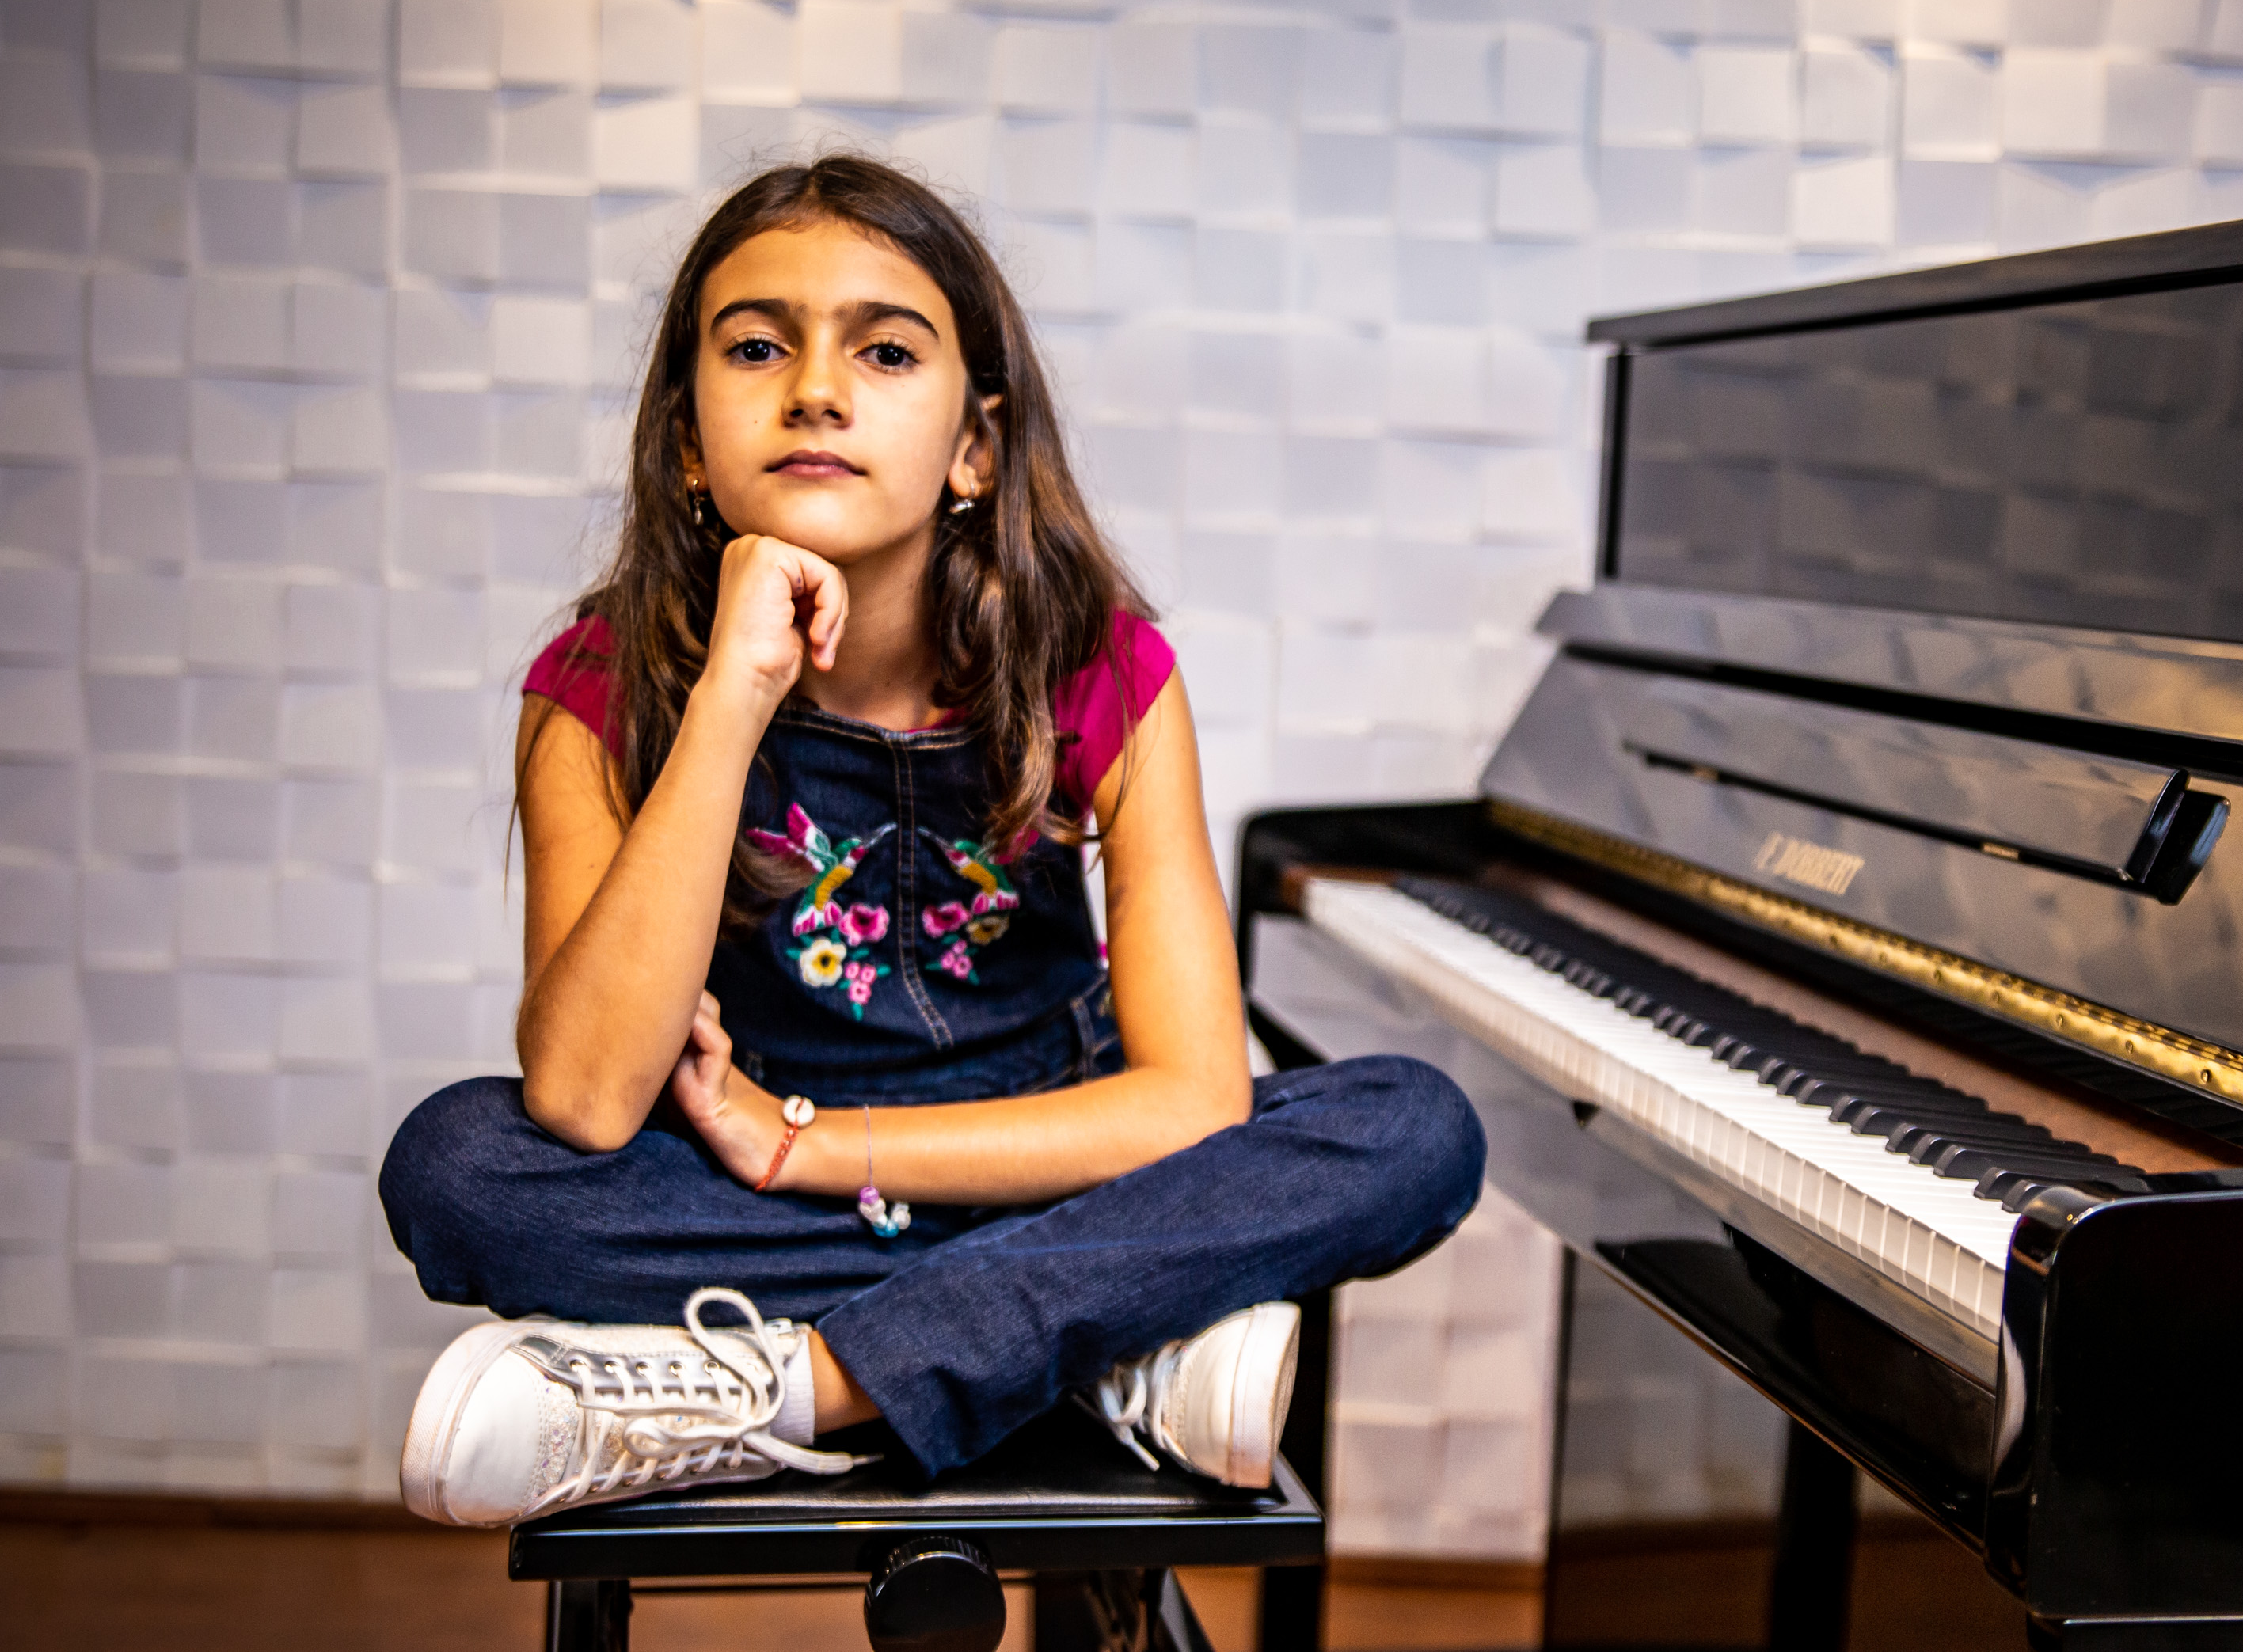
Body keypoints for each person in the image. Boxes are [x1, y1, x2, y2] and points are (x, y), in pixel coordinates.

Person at [379, 155, 1485, 1528]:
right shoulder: (597, 687)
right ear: (685, 438)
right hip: (778, 1191)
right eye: (758, 345)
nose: (817, 389)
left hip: (1020, 1153)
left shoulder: (1102, 667)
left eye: (886, 350)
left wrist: (808, 1145)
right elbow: (589, 1100)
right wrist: (733, 692)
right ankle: (1104, 1341)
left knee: (1414, 1125)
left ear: (973, 443)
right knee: (458, 1166)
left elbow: (1192, 1100)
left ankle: (797, 1388)